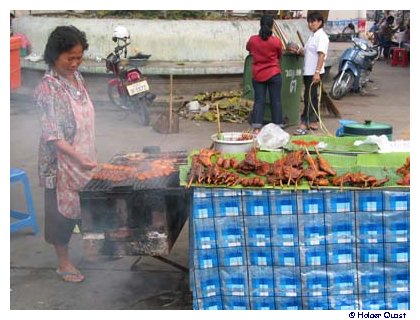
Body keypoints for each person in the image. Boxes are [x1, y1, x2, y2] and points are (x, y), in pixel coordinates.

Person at [34, 26, 97, 283]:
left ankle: (92, 248)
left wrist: (86, 153)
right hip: (60, 163)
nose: (74, 63)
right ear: (54, 55)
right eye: (69, 58)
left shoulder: (77, 77)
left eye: (78, 57)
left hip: (83, 154)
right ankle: (64, 262)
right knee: (60, 214)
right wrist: (78, 157)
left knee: (85, 206)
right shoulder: (48, 88)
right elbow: (53, 134)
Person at [291, 11, 329, 135]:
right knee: (311, 97)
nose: (311, 24)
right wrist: (299, 51)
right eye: (309, 22)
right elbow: (308, 52)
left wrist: (317, 72)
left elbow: (321, 55)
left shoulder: (321, 36)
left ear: (320, 22)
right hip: (308, 71)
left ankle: (304, 123)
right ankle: (313, 121)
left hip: (314, 71)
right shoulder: (312, 36)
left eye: (313, 22)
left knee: (308, 98)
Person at [246, 14, 284, 134]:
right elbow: (279, 55)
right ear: (272, 26)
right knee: (276, 100)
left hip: (258, 75)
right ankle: (277, 127)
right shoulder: (276, 41)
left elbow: (249, 49)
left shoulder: (252, 40)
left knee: (259, 101)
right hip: (274, 74)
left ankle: (257, 128)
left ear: (260, 24)